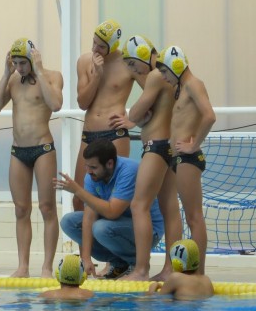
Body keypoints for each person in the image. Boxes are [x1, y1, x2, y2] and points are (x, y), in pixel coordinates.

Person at [0, 37, 63, 278]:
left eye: (24, 62)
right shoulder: (13, 80)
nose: (20, 68)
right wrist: (4, 74)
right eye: (16, 63)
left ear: (33, 58)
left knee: (47, 207)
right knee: (21, 209)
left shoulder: (52, 76)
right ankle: (23, 266)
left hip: (42, 148)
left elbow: (56, 104)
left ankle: (46, 267)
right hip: (18, 151)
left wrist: (39, 70)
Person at [119, 36, 183, 282]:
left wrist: (134, 117)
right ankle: (171, 269)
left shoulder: (156, 75)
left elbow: (135, 113)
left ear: (145, 56)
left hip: (156, 147)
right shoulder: (170, 77)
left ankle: (141, 270)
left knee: (139, 205)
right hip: (170, 146)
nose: (134, 72)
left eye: (134, 65)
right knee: (170, 209)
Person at [54, 138, 164, 279]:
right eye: (87, 166)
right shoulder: (92, 177)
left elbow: (112, 212)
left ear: (110, 164)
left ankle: (137, 265)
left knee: (101, 228)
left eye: (93, 167)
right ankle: (118, 263)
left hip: (148, 232)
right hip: (117, 226)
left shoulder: (128, 171)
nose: (88, 171)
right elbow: (89, 216)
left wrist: (78, 191)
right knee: (69, 222)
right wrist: (86, 258)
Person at [156, 46, 216, 275]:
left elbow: (209, 115)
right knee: (188, 215)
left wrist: (194, 144)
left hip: (188, 157)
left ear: (176, 67)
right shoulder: (181, 88)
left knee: (194, 216)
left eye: (164, 72)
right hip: (178, 158)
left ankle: (199, 273)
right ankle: (188, 271)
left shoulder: (194, 84)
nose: (163, 77)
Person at [73, 20, 143, 213]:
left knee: (112, 197)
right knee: (79, 199)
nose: (95, 48)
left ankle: (109, 241)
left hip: (115, 136)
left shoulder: (128, 64)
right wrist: (97, 75)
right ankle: (87, 245)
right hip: (89, 135)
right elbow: (82, 103)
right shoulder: (84, 61)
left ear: (113, 46)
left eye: (101, 46)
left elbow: (153, 91)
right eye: (94, 42)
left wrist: (133, 120)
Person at [147, 239, 214, 300]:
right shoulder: (207, 280)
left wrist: (153, 286)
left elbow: (158, 300)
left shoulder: (175, 277)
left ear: (175, 262)